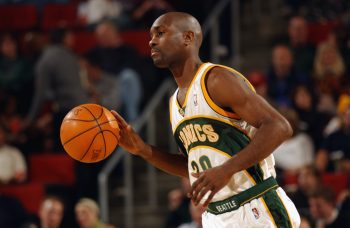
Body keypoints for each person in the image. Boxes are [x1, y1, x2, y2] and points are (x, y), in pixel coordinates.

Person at [111, 12, 300, 227]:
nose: (152, 41)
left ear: (188, 38)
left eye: (160, 33)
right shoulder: (174, 102)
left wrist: (227, 169)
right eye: (151, 36)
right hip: (216, 216)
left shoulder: (216, 80)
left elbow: (279, 127)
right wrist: (143, 150)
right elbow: (192, 168)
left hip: (256, 206)